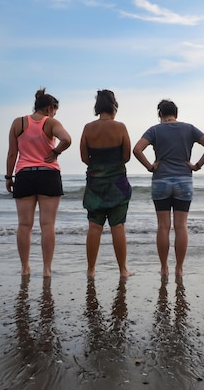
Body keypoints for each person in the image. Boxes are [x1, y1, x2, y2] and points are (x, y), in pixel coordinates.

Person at [133, 99, 204, 276]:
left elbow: (137, 150)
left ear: (160, 115)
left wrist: (150, 166)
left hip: (161, 180)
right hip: (184, 181)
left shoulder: (154, 130)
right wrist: (197, 165)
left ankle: (164, 268)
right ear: (176, 114)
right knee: (181, 226)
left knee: (163, 226)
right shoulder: (189, 128)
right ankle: (179, 268)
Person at [6, 88, 71, 277]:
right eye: (55, 111)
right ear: (50, 108)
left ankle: (25, 267)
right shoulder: (51, 122)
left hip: (24, 174)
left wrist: (9, 177)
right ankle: (47, 270)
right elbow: (66, 139)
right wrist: (56, 152)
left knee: (24, 225)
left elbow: (12, 153)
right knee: (48, 224)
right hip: (48, 175)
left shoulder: (18, 123)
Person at [80, 90, 133, 278]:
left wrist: (99, 168)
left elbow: (84, 157)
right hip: (117, 182)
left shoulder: (88, 128)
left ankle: (91, 270)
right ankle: (123, 270)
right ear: (113, 105)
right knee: (117, 226)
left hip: (95, 183)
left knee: (94, 226)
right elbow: (126, 156)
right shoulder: (120, 127)